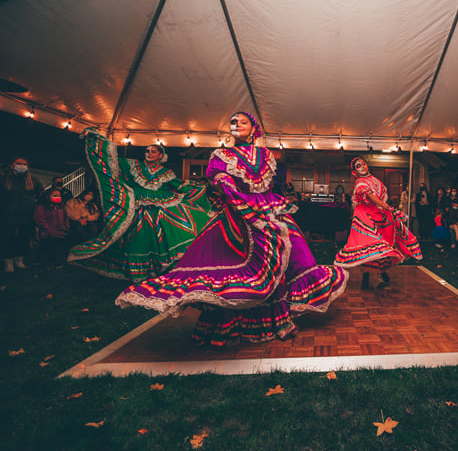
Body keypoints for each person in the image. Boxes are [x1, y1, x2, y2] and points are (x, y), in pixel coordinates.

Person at [116, 112, 348, 345]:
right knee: (238, 264)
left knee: (290, 254)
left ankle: (276, 318)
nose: (236, 125)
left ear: (254, 128)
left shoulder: (266, 155)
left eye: (242, 122)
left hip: (269, 209)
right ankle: (233, 320)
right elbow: (220, 182)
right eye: (233, 123)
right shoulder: (222, 155)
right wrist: (238, 201)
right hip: (238, 214)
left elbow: (273, 186)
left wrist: (274, 209)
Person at [68, 129, 214, 282]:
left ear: (161, 156)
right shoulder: (133, 165)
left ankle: (163, 265)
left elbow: (180, 186)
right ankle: (136, 268)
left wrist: (202, 188)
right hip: (137, 204)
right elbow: (112, 162)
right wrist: (100, 143)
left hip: (162, 205)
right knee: (136, 236)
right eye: (147, 151)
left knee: (175, 229)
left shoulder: (167, 172)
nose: (149, 153)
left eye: (153, 151)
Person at [334, 157, 422, 289]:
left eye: (364, 163)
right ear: (355, 171)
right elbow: (369, 196)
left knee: (382, 245)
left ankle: (382, 271)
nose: (363, 166)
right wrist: (383, 204)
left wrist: (383, 207)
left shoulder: (375, 180)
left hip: (377, 214)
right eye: (359, 166)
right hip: (364, 216)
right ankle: (366, 277)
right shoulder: (360, 183)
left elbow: (380, 195)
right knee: (368, 245)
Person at [1, 157, 42, 273]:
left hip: (27, 217)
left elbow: (42, 195)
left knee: (23, 239)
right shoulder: (3, 180)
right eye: (19, 163)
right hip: (8, 216)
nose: (22, 165)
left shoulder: (33, 181)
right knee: (7, 239)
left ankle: (19, 260)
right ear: (12, 165)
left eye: (25, 164)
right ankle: (8, 262)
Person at [33, 188, 70, 268]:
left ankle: (56, 262)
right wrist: (49, 230)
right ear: (48, 196)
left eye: (59, 195)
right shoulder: (41, 207)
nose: (58, 197)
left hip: (60, 232)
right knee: (46, 249)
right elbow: (40, 220)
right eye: (55, 195)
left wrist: (66, 228)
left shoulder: (61, 207)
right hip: (47, 233)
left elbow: (66, 218)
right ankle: (43, 264)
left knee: (58, 249)